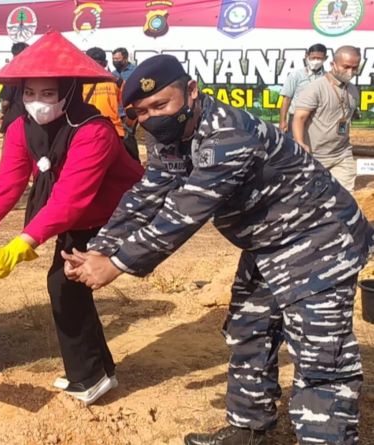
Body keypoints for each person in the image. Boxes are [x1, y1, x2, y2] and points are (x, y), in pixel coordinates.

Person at [63, 54, 374, 445]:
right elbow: (147, 195)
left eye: (161, 105)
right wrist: (100, 249)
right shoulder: (168, 139)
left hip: (317, 238)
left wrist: (118, 263)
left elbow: (185, 210)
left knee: (320, 357)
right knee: (249, 331)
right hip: (266, 244)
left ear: (191, 91)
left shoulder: (228, 133)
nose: (153, 117)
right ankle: (248, 429)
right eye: (142, 112)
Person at [0, 32, 143, 405]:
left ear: (69, 91)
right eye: (30, 93)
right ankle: (99, 372)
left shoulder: (94, 130)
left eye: (48, 94)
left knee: (64, 285)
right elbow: (8, 180)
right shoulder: (20, 128)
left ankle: (91, 376)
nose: (37, 102)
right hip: (76, 216)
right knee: (68, 285)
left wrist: (24, 241)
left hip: (116, 212)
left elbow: (72, 197)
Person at [292, 45, 360, 193]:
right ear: (333, 64)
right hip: (316, 156)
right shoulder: (316, 88)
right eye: (346, 67)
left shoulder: (353, 90)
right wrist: (300, 143)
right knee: (312, 198)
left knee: (346, 197)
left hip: (342, 154)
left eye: (354, 68)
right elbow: (299, 118)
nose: (350, 72)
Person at [83, 47, 139, 162]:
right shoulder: (116, 81)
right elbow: (130, 108)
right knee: (131, 169)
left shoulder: (78, 83)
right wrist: (127, 128)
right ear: (106, 63)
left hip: (89, 134)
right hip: (116, 133)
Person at [278, 43, 327, 135]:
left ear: (325, 58)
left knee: (315, 147)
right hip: (296, 118)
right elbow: (286, 99)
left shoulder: (327, 78)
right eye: (313, 58)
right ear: (306, 56)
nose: (316, 61)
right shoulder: (296, 75)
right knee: (295, 146)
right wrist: (283, 121)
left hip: (318, 120)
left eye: (319, 58)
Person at [111, 47, 140, 164]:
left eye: (117, 58)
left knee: (130, 140)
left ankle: (134, 163)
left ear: (125, 58)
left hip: (130, 112)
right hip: (116, 112)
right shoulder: (112, 74)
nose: (115, 61)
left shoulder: (135, 71)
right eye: (113, 59)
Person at [0, 42, 28, 134]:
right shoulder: (33, 72)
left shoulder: (12, 73)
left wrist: (3, 113)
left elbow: (5, 103)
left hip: (14, 119)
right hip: (30, 120)